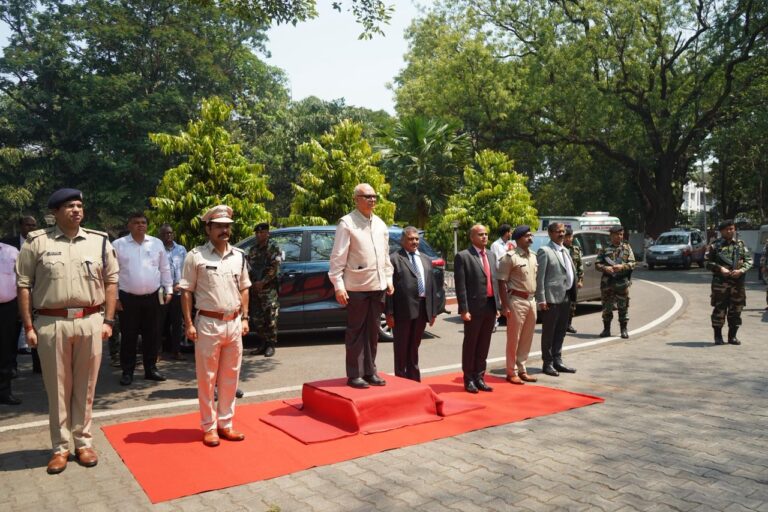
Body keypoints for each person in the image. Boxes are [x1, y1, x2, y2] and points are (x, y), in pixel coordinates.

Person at [16, 188, 119, 474]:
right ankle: (60, 447)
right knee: (58, 389)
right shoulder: (37, 242)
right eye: (69, 206)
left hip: (90, 321)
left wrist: (108, 321)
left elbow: (111, 281)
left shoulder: (99, 241)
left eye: (79, 205)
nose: (76, 210)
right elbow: (24, 285)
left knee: (86, 388)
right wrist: (28, 327)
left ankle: (83, 442)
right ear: (55, 212)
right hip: (52, 323)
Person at [180, 205, 251, 447]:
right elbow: (186, 291)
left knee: (231, 377)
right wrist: (189, 323)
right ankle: (209, 427)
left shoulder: (239, 256)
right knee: (207, 378)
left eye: (227, 226)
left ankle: (226, 424)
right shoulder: (196, 256)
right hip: (207, 323)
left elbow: (244, 288)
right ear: (208, 228)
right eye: (219, 226)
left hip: (233, 323)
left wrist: (245, 318)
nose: (224, 230)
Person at [328, 183, 394, 389]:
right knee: (356, 331)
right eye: (367, 196)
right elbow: (337, 258)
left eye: (374, 196)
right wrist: (338, 285)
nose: (372, 200)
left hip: (378, 285)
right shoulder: (347, 223)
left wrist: (389, 279)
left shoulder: (381, 224)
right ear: (356, 199)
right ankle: (355, 374)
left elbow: (385, 256)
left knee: (373, 331)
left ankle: (370, 370)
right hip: (356, 287)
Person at [112, 213, 172, 386]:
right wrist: (115, 297)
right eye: (136, 222)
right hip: (127, 298)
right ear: (129, 225)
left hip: (152, 297)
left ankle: (151, 369)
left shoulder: (156, 243)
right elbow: (111, 274)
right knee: (129, 336)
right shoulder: (118, 245)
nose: (140, 225)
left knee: (152, 335)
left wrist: (168, 288)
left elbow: (164, 268)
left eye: (143, 222)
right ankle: (127, 371)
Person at [385, 226, 440, 382]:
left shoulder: (425, 259)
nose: (414, 241)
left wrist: (433, 311)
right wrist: (389, 313)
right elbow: (388, 289)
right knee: (401, 347)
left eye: (416, 238)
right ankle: (401, 380)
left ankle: (414, 379)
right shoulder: (394, 259)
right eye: (410, 239)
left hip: (422, 309)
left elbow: (432, 286)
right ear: (403, 240)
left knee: (414, 346)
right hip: (403, 310)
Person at [454, 224, 500, 393]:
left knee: (484, 344)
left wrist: (498, 305)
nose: (484, 237)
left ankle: (480, 377)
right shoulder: (463, 256)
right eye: (480, 234)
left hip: (489, 305)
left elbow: (494, 281)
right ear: (471, 237)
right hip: (473, 308)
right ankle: (469, 379)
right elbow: (461, 286)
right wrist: (464, 309)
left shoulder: (491, 255)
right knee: (471, 344)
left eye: (486, 234)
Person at [497, 225, 538, 385]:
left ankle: (522, 369)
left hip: (531, 300)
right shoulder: (510, 257)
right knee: (514, 338)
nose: (530, 238)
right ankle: (511, 371)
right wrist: (505, 306)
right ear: (519, 238)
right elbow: (501, 282)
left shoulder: (533, 256)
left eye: (530, 235)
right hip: (516, 300)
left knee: (527, 337)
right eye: (527, 236)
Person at [535, 222, 577, 377]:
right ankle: (548, 363)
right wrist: (541, 299)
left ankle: (558, 360)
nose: (561, 234)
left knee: (561, 330)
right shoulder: (545, 251)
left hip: (566, 296)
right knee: (549, 332)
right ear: (550, 233)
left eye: (563, 231)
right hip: (551, 298)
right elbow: (540, 278)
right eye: (558, 231)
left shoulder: (565, 250)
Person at [2, 216, 40, 374]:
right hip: (14, 296)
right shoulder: (7, 244)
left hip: (37, 293)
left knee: (37, 330)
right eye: (28, 225)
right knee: (12, 333)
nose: (31, 228)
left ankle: (38, 366)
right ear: (20, 226)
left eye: (34, 225)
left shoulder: (41, 243)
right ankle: (11, 366)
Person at [704, 220, 752, 345]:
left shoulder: (740, 245)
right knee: (719, 310)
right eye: (727, 229)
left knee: (736, 310)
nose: (730, 231)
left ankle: (732, 337)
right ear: (721, 231)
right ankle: (718, 337)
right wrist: (720, 268)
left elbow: (749, 260)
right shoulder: (715, 246)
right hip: (721, 284)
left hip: (737, 284)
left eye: (732, 229)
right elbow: (706, 263)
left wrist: (741, 270)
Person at [595, 225, 636, 339]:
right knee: (606, 307)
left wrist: (622, 266)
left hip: (622, 283)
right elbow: (597, 264)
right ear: (611, 235)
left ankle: (623, 329)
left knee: (623, 307)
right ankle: (606, 329)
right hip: (607, 283)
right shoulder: (604, 248)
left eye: (621, 234)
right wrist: (605, 268)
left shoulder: (627, 248)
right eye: (617, 234)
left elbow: (633, 263)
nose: (619, 237)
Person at [247, 222, 281, 358]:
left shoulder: (274, 248)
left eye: (262, 232)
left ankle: (271, 345)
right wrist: (254, 283)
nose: (259, 235)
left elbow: (275, 268)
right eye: (257, 233)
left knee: (270, 317)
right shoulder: (253, 250)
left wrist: (263, 282)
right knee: (257, 318)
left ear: (268, 233)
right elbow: (248, 268)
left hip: (268, 290)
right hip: (255, 289)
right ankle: (262, 343)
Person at [158, 223, 187, 361]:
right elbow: (155, 271)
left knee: (177, 324)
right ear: (160, 235)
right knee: (159, 323)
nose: (168, 236)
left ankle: (176, 351)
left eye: (170, 233)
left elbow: (186, 270)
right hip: (162, 292)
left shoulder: (181, 250)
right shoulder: (157, 250)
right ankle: (157, 353)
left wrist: (180, 285)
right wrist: (167, 286)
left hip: (179, 292)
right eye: (165, 234)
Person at [0, 241, 21, 404]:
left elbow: (22, 281)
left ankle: (4, 391)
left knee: (6, 350)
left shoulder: (12, 252)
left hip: (8, 308)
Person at [563, 228, 584, 334]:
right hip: (562, 281)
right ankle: (561, 324)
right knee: (561, 304)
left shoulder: (576, 249)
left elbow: (580, 265)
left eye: (570, 237)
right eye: (566, 237)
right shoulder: (560, 249)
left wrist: (580, 280)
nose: (568, 239)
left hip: (573, 281)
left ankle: (568, 324)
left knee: (572, 304)